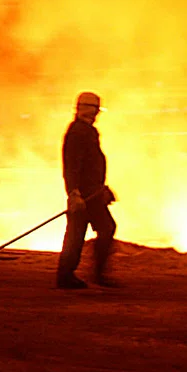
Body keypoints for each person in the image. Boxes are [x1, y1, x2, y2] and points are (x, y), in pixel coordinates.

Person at [57, 91, 118, 289]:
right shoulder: (79, 132)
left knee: (79, 233)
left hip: (91, 193)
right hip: (86, 195)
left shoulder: (86, 131)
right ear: (86, 109)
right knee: (100, 229)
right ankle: (82, 275)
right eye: (95, 109)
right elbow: (72, 165)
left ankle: (67, 275)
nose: (96, 114)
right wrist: (74, 193)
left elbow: (89, 166)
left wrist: (101, 189)